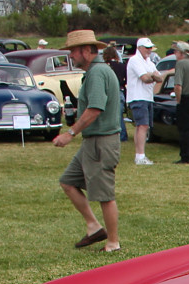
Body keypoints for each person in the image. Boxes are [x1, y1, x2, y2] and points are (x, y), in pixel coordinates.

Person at [53, 29, 122, 253]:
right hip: (91, 142)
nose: (71, 56)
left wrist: (69, 134)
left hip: (102, 141)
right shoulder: (96, 71)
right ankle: (94, 227)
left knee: (105, 194)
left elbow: (95, 109)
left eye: (73, 51)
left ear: (85, 50)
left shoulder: (97, 73)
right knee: (68, 181)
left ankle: (113, 242)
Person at [126, 37, 162, 164]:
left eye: (150, 48)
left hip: (147, 97)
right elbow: (145, 78)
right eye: (147, 48)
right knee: (143, 125)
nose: (149, 50)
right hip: (138, 97)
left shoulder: (149, 62)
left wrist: (151, 75)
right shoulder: (135, 60)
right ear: (139, 48)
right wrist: (152, 75)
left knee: (142, 126)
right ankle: (140, 156)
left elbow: (159, 78)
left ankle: (139, 155)